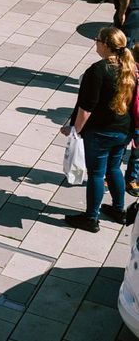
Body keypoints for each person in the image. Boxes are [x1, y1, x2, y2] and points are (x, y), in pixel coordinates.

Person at [61, 27, 135, 233]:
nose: (96, 42)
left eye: (97, 39)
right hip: (123, 131)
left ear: (105, 45)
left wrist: (74, 131)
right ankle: (119, 210)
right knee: (114, 169)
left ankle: (91, 218)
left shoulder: (98, 70)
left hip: (100, 132)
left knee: (96, 174)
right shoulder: (129, 67)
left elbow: (86, 108)